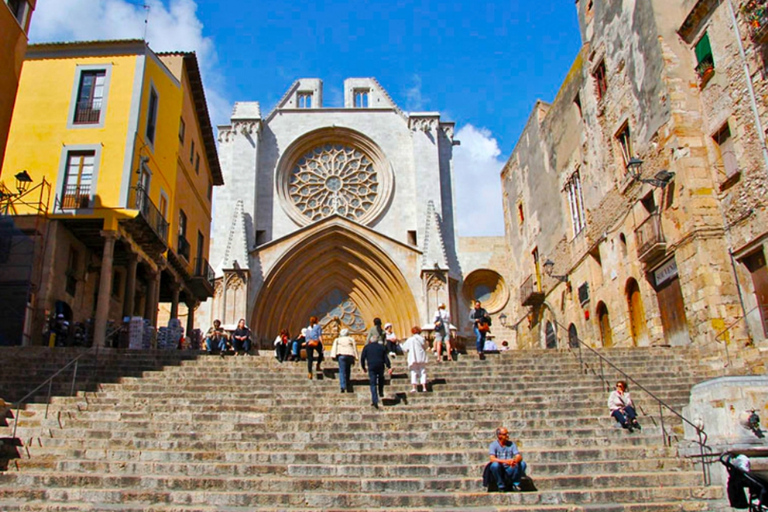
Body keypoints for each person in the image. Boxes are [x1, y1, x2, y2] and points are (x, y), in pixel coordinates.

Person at [486, 427, 527, 492]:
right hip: (501, 469)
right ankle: (501, 485)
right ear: (499, 436)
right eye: (505, 434)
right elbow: (492, 459)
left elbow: (518, 456)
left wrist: (514, 461)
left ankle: (515, 484)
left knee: (522, 464)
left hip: (510, 468)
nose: (507, 435)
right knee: (494, 465)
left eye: (507, 434)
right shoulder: (493, 445)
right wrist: (506, 461)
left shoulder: (512, 444)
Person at [360, 335, 392, 408]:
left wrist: (363, 367)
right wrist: (389, 366)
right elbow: (385, 358)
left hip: (371, 366)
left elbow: (362, 358)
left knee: (373, 383)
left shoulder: (367, 347)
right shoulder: (381, 347)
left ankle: (375, 400)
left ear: (370, 341)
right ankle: (380, 391)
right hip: (380, 365)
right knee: (381, 378)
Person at [401, 326, 428, 393]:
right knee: (423, 371)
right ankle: (424, 387)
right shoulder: (422, 339)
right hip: (421, 357)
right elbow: (426, 347)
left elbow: (404, 348)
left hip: (413, 357)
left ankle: (414, 387)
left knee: (413, 372)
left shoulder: (410, 339)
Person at [330, 328, 358, 393]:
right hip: (350, 355)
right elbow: (354, 348)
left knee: (342, 371)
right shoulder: (351, 339)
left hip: (341, 355)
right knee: (348, 369)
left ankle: (343, 386)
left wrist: (333, 356)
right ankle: (347, 382)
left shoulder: (337, 339)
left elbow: (334, 348)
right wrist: (356, 357)